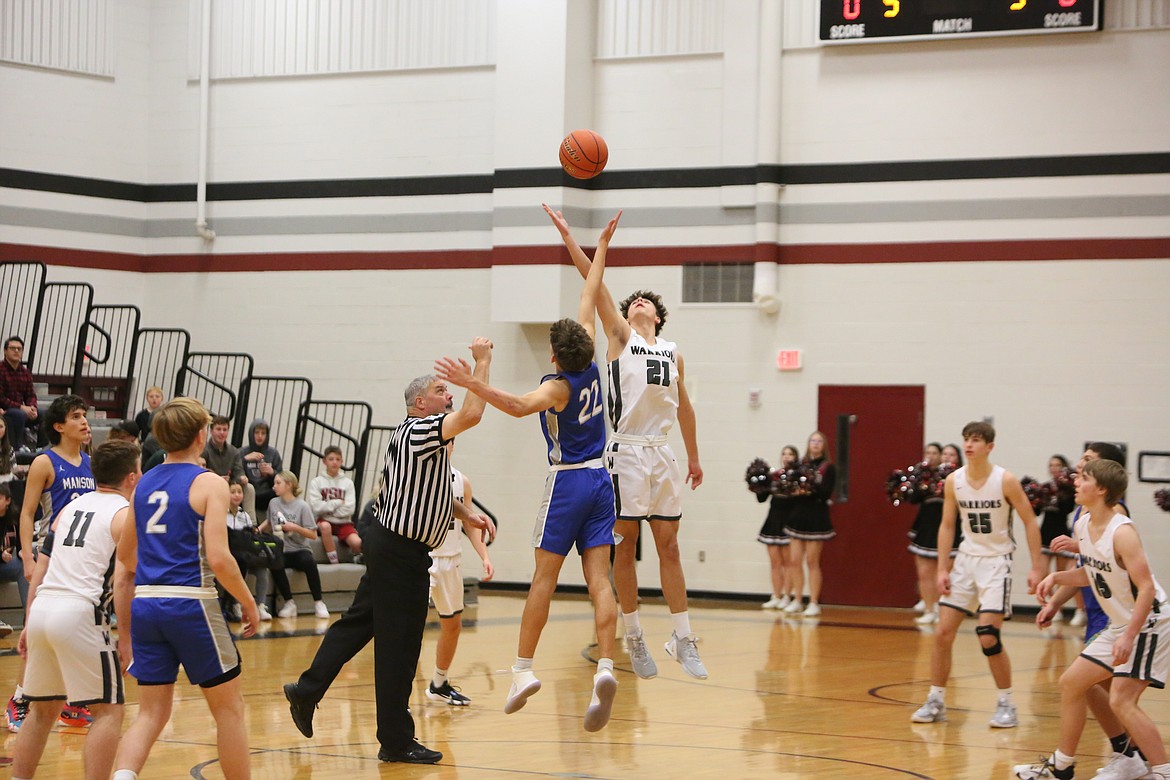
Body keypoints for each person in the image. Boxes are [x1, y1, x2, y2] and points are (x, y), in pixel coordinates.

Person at [436, 211, 622, 728]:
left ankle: (521, 670)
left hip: (567, 482)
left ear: (555, 354)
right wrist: (586, 241)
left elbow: (518, 407)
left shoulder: (557, 387)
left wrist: (473, 381)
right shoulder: (590, 354)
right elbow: (591, 287)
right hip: (602, 480)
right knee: (599, 581)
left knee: (543, 576)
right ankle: (605, 665)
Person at [283, 345, 494, 764]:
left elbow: (428, 491)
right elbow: (472, 414)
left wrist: (467, 512)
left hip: (392, 546)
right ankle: (395, 741)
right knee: (399, 645)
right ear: (421, 402)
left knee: (359, 624)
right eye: (441, 390)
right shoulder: (419, 430)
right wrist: (481, 367)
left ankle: (306, 690)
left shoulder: (423, 440)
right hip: (400, 551)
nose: (449, 394)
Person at [545, 203, 707, 681]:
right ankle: (633, 635)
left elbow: (686, 410)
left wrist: (694, 458)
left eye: (646, 302)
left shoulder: (672, 353)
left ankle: (682, 636)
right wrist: (576, 240)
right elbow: (592, 282)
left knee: (670, 546)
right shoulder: (619, 338)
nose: (638, 303)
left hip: (662, 453)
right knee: (626, 544)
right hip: (625, 452)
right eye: (632, 300)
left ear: (658, 315)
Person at [110, 397, 259, 780]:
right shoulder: (209, 482)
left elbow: (126, 557)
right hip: (192, 603)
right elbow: (220, 559)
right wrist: (248, 601)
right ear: (200, 436)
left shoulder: (142, 486)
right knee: (229, 710)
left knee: (150, 713)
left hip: (146, 604)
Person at [1014, 459, 1170, 780]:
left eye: (1083, 477)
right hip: (1121, 624)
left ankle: (1163, 772)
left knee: (1122, 700)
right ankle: (1063, 766)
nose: (1075, 480)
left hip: (1149, 622)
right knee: (1073, 683)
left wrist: (1129, 636)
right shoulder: (1083, 524)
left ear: (1101, 489)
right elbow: (1093, 573)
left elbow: (1144, 590)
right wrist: (1057, 577)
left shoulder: (1123, 532)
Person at [10, 440, 139, 780]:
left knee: (42, 710)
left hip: (43, 609)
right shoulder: (124, 515)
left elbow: (41, 567)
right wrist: (125, 639)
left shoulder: (69, 509)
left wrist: (28, 622)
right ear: (131, 477)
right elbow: (125, 583)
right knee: (109, 710)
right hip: (81, 613)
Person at [911, 421, 1044, 729]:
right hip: (966, 561)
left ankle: (1006, 703)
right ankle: (935, 700)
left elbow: (1029, 522)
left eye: (976, 440)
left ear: (989, 447)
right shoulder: (953, 480)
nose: (969, 445)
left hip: (997, 562)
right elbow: (947, 525)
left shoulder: (1005, 480)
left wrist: (1037, 566)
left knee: (988, 636)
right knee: (942, 633)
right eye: (966, 440)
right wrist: (943, 567)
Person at [1041, 442, 1141, 778]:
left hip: (1121, 612)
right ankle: (1127, 754)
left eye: (1088, 462)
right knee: (1092, 687)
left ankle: (1136, 758)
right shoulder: (1084, 515)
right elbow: (1090, 567)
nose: (1079, 466)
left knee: (1112, 694)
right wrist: (1056, 600)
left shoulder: (1117, 516)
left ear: (1104, 477)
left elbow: (1121, 574)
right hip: (1103, 608)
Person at [9, 394, 96, 733]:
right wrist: (27, 557)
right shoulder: (45, 462)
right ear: (59, 426)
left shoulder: (90, 462)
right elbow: (28, 512)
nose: (85, 421)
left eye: (85, 415)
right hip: (51, 554)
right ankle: (19, 699)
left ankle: (72, 704)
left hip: (82, 560)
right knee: (40, 633)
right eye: (77, 416)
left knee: (77, 632)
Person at [422, 442, 494, 707]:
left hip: (451, 561)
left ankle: (439, 684)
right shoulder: (420, 476)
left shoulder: (461, 480)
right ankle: (400, 690)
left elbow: (469, 523)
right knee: (412, 627)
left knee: (452, 625)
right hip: (424, 559)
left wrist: (484, 556)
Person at [783, 431, 837, 617]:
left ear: (824, 445)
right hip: (798, 515)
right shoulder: (800, 465)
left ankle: (813, 602)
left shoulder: (828, 467)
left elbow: (825, 493)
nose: (815, 443)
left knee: (812, 561)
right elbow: (789, 488)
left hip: (816, 517)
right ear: (808, 444)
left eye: (819, 441)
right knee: (794, 561)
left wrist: (808, 487)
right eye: (812, 440)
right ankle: (797, 599)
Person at [263, 471, 329, 620]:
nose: (274, 486)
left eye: (278, 483)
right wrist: (257, 530)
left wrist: (294, 527)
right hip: (281, 550)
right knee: (274, 562)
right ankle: (289, 603)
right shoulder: (273, 503)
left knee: (309, 562)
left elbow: (313, 534)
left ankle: (319, 602)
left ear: (289, 485)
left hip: (299, 549)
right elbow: (269, 522)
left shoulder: (302, 506)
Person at [1037, 454, 1081, 626]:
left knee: (1061, 573)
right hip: (1045, 531)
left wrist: (1064, 491)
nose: (1054, 468)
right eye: (1052, 465)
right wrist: (1034, 499)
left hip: (1061, 531)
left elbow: (1068, 510)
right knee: (1043, 573)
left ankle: (1064, 608)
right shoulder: (1044, 487)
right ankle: (1049, 606)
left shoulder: (1069, 489)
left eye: (1058, 465)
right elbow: (1037, 511)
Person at [755, 445, 800, 610]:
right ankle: (776, 595)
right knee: (775, 562)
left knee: (789, 562)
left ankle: (788, 596)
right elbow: (761, 498)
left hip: (789, 521)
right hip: (773, 520)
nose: (787, 456)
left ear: (796, 457)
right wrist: (758, 484)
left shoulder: (799, 477)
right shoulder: (774, 476)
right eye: (784, 453)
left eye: (791, 454)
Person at [221, 481, 270, 623]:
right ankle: (233, 603)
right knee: (239, 562)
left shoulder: (245, 516)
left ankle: (260, 605)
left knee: (262, 567)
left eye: (239, 492)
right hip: (228, 553)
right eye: (233, 492)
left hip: (243, 553)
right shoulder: (221, 513)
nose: (237, 495)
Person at [906, 442, 945, 624]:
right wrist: (916, 483)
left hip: (944, 525)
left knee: (940, 571)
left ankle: (938, 607)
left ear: (940, 456)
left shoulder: (948, 477)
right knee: (924, 572)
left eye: (934, 453)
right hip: (925, 525)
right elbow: (912, 499)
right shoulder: (921, 476)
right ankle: (928, 609)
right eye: (927, 452)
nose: (930, 456)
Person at [308, 446, 359, 563]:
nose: (334, 462)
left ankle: (358, 559)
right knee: (326, 527)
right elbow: (316, 507)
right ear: (324, 461)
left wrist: (327, 508)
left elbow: (350, 509)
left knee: (357, 542)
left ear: (342, 461)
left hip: (344, 523)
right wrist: (337, 503)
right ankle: (334, 561)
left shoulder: (348, 483)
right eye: (331, 459)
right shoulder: (316, 482)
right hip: (324, 521)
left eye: (338, 459)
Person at [201, 414, 253, 517]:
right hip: (210, 484)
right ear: (211, 431)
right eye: (218, 429)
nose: (222, 433)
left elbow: (238, 470)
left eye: (225, 430)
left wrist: (242, 477)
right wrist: (217, 478)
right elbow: (200, 470)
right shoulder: (204, 449)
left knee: (249, 488)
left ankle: (251, 523)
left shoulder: (233, 451)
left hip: (229, 485)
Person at [0, 336, 39, 450]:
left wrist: (32, 407)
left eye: (19, 349)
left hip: (20, 409)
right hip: (5, 409)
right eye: (13, 348)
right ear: (5, 351)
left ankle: (41, 447)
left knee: (44, 414)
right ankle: (17, 448)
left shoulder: (25, 372)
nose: (16, 351)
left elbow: (31, 394)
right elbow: (1, 398)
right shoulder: (1, 370)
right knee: (19, 414)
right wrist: (22, 407)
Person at [0, 483, 28, 636]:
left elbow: (21, 545)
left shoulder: (15, 518)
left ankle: (30, 618)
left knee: (23, 566)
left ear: (8, 501)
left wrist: (25, 553)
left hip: (5, 565)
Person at [239, 419, 282, 513]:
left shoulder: (273, 453)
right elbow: (234, 472)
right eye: (257, 433)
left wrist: (272, 473)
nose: (260, 436)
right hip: (247, 490)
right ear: (251, 434)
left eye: (263, 433)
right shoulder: (242, 452)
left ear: (267, 435)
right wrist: (245, 460)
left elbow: (281, 478)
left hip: (267, 493)